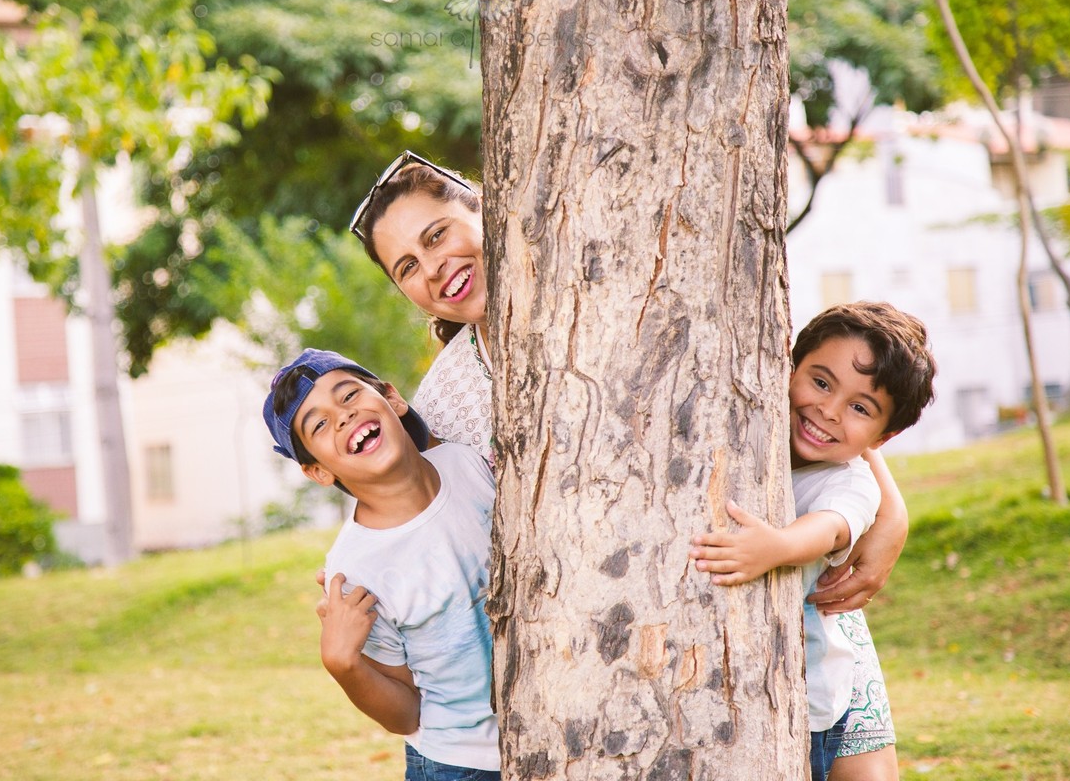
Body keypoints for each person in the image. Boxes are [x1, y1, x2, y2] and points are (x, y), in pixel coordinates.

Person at [349, 150, 911, 778]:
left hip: (796, 605)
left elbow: (797, 390)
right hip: (626, 653)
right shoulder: (445, 405)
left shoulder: (608, 269)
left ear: (488, 209)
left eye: (438, 234)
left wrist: (891, 511)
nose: (434, 267)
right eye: (407, 266)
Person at [689, 302, 937, 781]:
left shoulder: (854, 483)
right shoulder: (752, 436)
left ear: (882, 437)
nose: (827, 410)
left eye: (859, 408)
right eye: (821, 383)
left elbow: (830, 526)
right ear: (785, 363)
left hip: (810, 705)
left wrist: (776, 547)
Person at [263, 348, 500, 781]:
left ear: (391, 398)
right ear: (317, 471)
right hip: (459, 762)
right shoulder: (354, 574)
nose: (342, 417)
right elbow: (405, 716)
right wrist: (344, 663)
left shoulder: (466, 464)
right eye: (318, 424)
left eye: (349, 395)